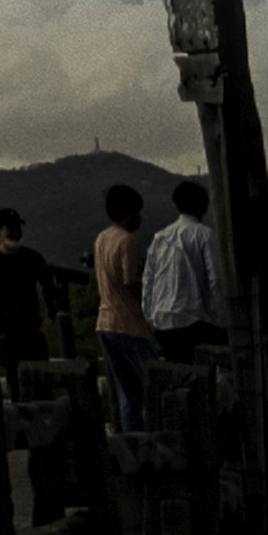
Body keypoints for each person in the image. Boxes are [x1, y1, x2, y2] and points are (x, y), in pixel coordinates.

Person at [0, 206, 68, 381]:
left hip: (33, 331)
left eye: (17, 228)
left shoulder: (32, 258)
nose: (15, 233)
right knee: (15, 383)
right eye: (10, 229)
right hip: (8, 335)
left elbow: (49, 287)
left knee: (41, 381)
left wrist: (50, 315)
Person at [89, 182, 153, 431]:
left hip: (105, 323)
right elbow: (131, 281)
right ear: (128, 214)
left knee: (129, 394)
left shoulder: (102, 238)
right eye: (137, 212)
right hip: (128, 324)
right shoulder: (127, 241)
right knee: (154, 384)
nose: (139, 218)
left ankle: (130, 443)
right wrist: (148, 305)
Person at [144, 180, 226, 365]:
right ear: (203, 206)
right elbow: (216, 279)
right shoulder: (204, 234)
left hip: (163, 322)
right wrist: (217, 315)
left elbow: (149, 279)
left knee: (179, 370)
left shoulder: (160, 237)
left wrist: (149, 316)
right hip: (193, 321)